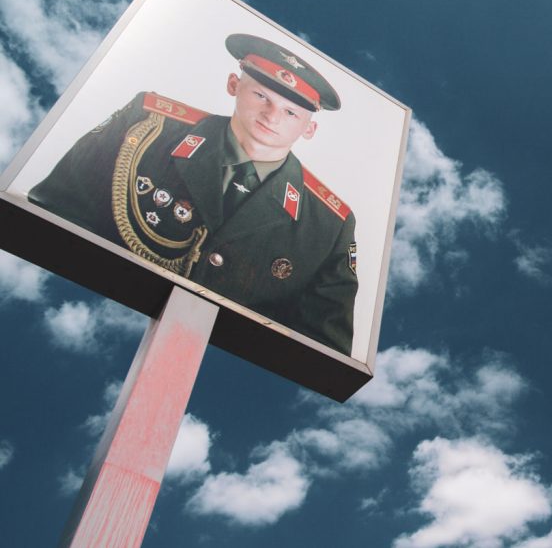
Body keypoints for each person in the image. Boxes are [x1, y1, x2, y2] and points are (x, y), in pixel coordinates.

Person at [29, 34, 358, 355]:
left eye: (291, 113)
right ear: (233, 85)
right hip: (84, 325)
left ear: (309, 129)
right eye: (261, 96)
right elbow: (50, 215)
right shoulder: (148, 126)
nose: (271, 116)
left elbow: (321, 354)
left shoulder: (329, 225)